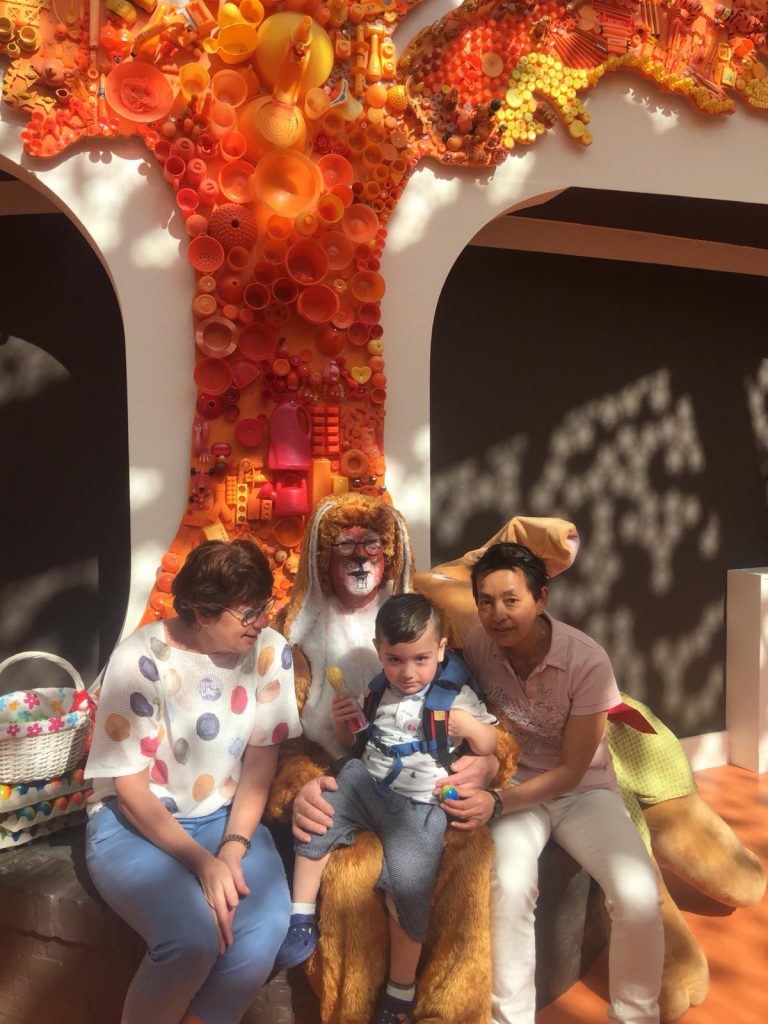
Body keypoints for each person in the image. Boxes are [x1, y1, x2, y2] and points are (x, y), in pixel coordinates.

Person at [84, 539, 302, 1024]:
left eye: (265, 605)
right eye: (248, 613)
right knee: (190, 938)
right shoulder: (140, 660)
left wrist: (233, 850)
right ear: (202, 613)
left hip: (222, 817)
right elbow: (130, 791)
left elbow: (259, 766)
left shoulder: (270, 651)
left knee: (266, 924)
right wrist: (204, 865)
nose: (262, 621)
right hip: (133, 824)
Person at [452, 541, 664, 1024]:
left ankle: (636, 1016)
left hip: (581, 791)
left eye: (511, 599)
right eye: (486, 601)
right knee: (509, 886)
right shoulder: (479, 645)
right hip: (514, 784)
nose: (497, 614)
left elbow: (571, 769)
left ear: (541, 598)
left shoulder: (587, 661)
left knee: (638, 896)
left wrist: (497, 803)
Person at [276, 593, 498, 1024]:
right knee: (321, 812)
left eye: (420, 659)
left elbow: (490, 742)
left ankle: (400, 991)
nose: (408, 672)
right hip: (368, 786)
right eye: (395, 660)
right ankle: (299, 916)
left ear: (441, 650)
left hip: (419, 807)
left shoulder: (454, 697)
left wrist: (471, 728)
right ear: (379, 651)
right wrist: (344, 722)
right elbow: (353, 744)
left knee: (408, 892)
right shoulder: (378, 689)